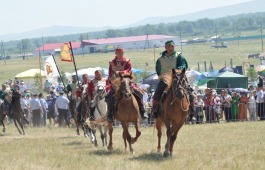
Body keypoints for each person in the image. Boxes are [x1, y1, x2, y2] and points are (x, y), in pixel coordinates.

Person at [105, 48, 148, 122]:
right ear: (116, 54)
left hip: (126, 81)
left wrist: (120, 72)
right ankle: (110, 114)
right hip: (116, 82)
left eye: (121, 53)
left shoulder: (127, 61)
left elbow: (129, 70)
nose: (120, 54)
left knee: (137, 93)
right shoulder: (112, 63)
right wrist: (114, 76)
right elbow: (110, 73)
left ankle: (142, 111)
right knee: (110, 96)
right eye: (118, 53)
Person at [152, 40, 188, 118]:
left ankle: (191, 111)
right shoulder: (160, 59)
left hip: (177, 77)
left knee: (190, 91)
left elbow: (183, 65)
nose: (170, 48)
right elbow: (158, 70)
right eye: (168, 46)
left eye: (172, 46)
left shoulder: (179, 56)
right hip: (165, 79)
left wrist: (178, 71)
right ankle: (154, 110)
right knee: (157, 91)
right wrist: (163, 76)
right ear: (165, 47)